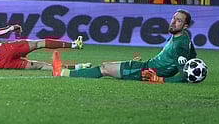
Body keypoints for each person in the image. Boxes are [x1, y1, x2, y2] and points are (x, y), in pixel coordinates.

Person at [61, 9, 196, 83]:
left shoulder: (180, 44)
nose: (173, 22)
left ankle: (65, 74)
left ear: (185, 26)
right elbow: (193, 57)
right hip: (146, 65)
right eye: (173, 18)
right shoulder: (182, 37)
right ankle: (66, 73)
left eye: (178, 20)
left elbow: (183, 76)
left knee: (104, 69)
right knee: (105, 66)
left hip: (146, 72)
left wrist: (160, 79)